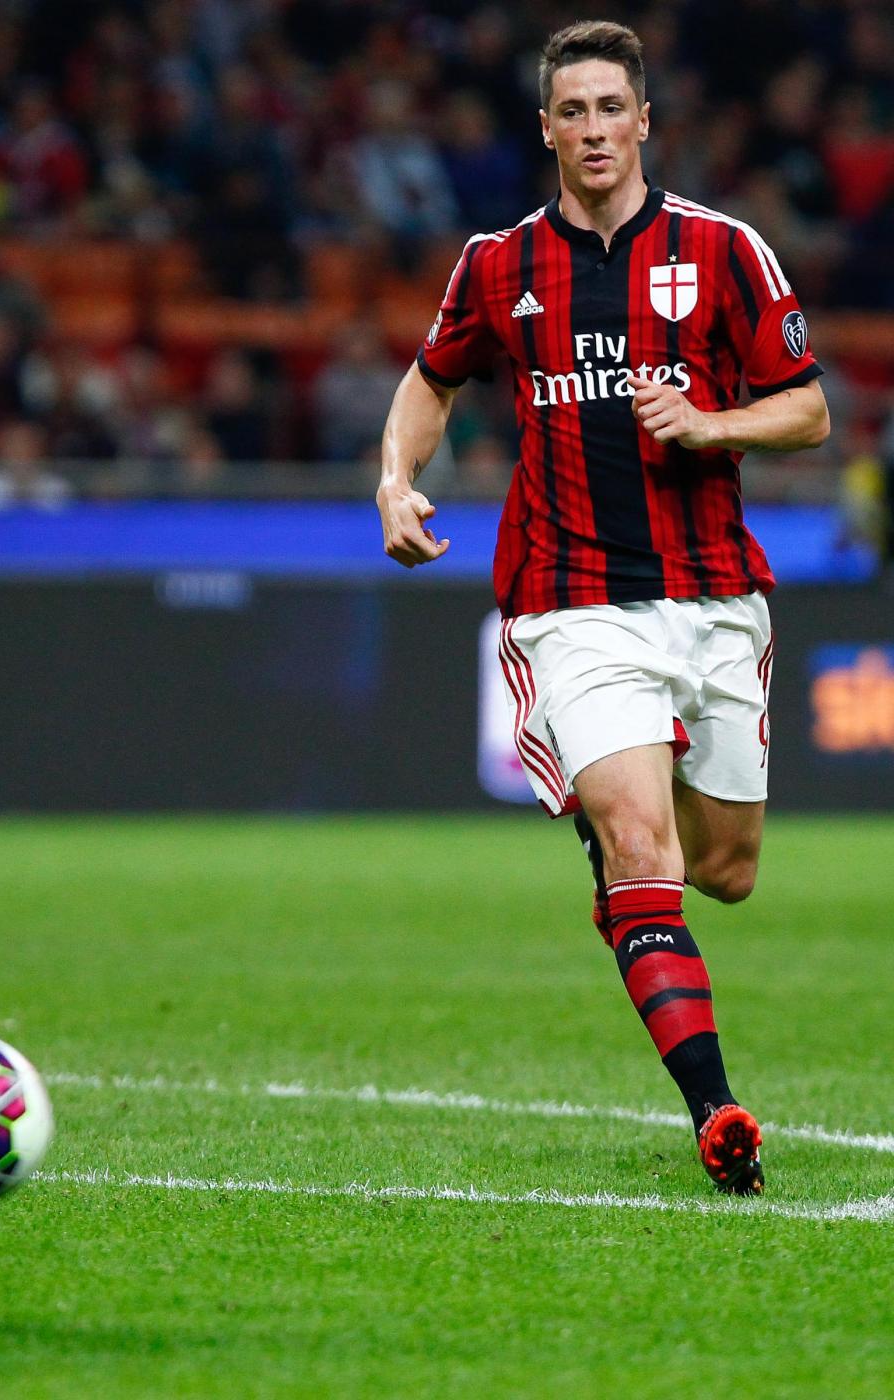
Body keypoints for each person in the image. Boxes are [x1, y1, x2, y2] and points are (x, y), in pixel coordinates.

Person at [376, 20, 829, 1195]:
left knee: (722, 868)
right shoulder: (496, 265)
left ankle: (627, 889)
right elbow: (428, 382)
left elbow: (807, 408)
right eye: (571, 111)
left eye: (609, 109)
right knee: (639, 843)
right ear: (545, 128)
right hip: (570, 598)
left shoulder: (722, 249)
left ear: (643, 122)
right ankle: (717, 1111)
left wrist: (711, 423)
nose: (591, 130)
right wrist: (394, 478)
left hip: (714, 593)